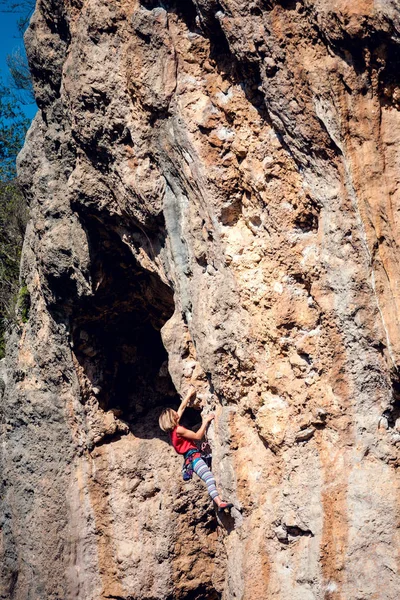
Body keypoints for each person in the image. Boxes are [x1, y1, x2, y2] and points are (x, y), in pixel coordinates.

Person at [159, 387, 233, 511]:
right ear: (172, 418)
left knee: (212, 463)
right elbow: (198, 436)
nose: (177, 413)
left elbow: (181, 409)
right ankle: (219, 503)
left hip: (193, 457)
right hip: (194, 459)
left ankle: (218, 502)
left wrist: (188, 395)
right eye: (174, 413)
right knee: (209, 478)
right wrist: (205, 421)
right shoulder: (179, 430)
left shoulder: (172, 432)